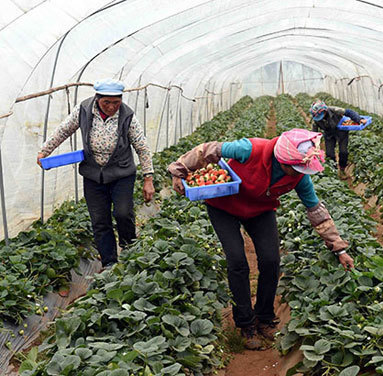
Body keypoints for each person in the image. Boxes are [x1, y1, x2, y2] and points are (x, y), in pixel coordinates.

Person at [168, 129, 353, 350]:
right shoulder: (251, 149)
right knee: (237, 261)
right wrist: (178, 172)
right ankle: (246, 323)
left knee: (271, 260)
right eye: (293, 169)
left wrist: (339, 249)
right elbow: (209, 149)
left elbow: (316, 210)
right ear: (281, 159)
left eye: (300, 170)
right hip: (223, 206)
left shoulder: (299, 178)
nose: (297, 174)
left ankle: (265, 317)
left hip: (260, 210)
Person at [37, 78, 155, 270]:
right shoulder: (84, 110)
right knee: (99, 220)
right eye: (106, 102)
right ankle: (109, 263)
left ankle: (130, 250)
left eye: (116, 102)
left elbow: (142, 147)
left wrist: (148, 178)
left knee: (123, 213)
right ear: (97, 98)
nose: (111, 107)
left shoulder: (127, 116)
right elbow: (64, 130)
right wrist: (45, 151)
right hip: (93, 175)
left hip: (121, 173)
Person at [309, 100, 367, 179]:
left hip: (341, 131)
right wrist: (313, 147)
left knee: (344, 152)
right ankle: (333, 172)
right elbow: (314, 134)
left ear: (325, 110)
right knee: (330, 154)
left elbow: (349, 112)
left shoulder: (334, 110)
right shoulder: (315, 120)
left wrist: (359, 119)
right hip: (329, 134)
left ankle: (342, 169)